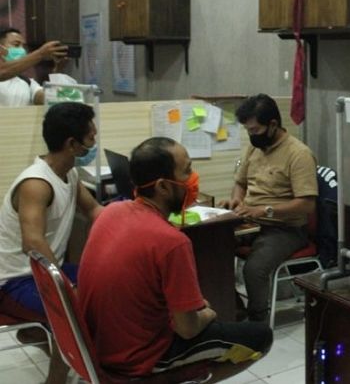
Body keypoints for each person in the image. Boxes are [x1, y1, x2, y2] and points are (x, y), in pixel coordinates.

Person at [78, 137, 272, 378]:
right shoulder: (171, 241)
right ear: (163, 186)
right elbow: (188, 329)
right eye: (187, 170)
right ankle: (179, 377)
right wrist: (207, 313)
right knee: (260, 337)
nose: (194, 178)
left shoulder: (111, 212)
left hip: (97, 346)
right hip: (139, 358)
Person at [0, 101, 103, 384]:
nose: (94, 143)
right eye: (91, 137)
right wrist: (66, 288)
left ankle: (39, 333)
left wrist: (128, 224)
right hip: (15, 281)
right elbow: (32, 242)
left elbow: (94, 210)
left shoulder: (67, 173)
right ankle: (56, 380)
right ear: (72, 143)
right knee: (77, 308)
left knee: (105, 281)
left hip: (41, 272)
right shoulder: (37, 183)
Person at [221, 94, 318, 322]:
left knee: (254, 269)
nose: (251, 136)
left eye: (254, 130)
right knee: (210, 252)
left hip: (285, 229)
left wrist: (264, 211)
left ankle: (258, 323)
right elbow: (240, 183)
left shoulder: (298, 154)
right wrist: (236, 200)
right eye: (248, 131)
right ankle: (233, 310)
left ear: (273, 124)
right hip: (250, 223)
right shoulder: (254, 148)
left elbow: (307, 204)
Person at [0, 27, 68, 106]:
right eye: (16, 45)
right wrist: (40, 54)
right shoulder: (3, 74)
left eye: (23, 46)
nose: (22, 50)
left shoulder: (27, 82)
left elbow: (50, 98)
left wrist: (58, 69)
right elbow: (2, 72)